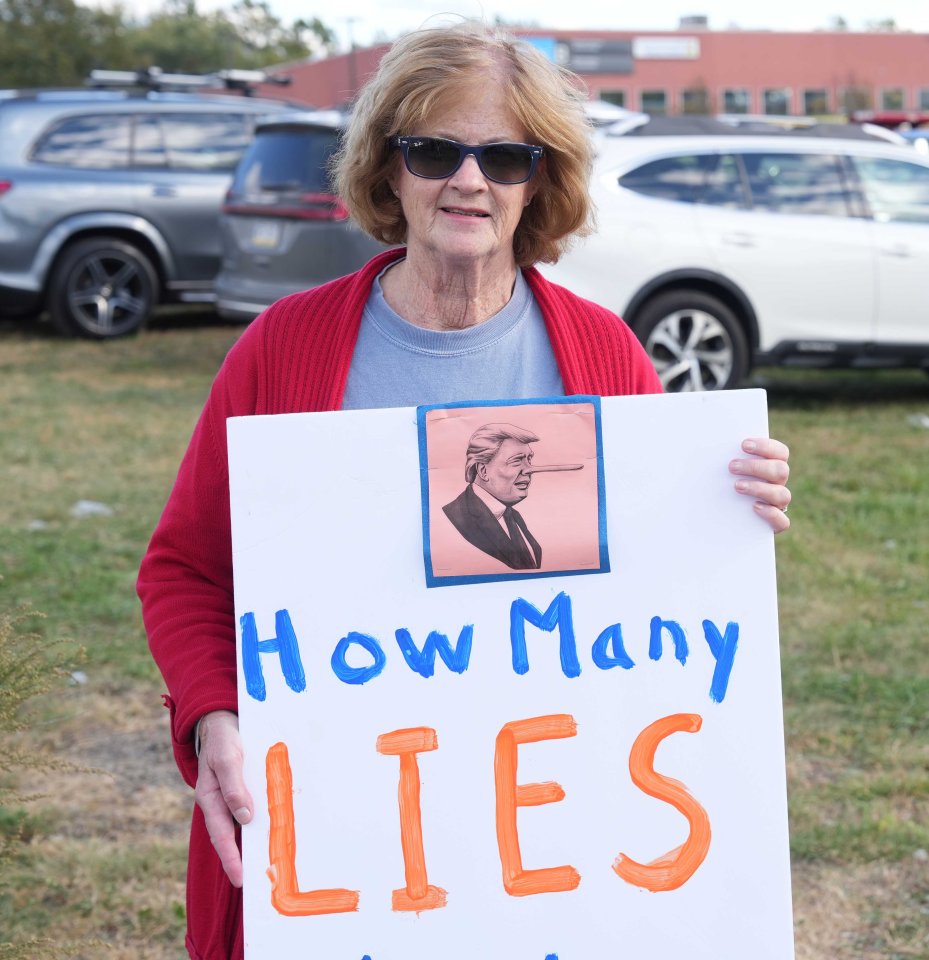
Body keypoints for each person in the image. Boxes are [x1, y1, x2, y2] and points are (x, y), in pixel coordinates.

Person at [137, 21, 792, 960]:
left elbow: (656, 594)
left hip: (552, 852)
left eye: (506, 156)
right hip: (345, 847)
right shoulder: (281, 350)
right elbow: (185, 571)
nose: (469, 180)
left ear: (542, 179)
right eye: (434, 149)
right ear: (388, 168)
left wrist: (729, 505)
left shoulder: (603, 356)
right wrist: (212, 715)